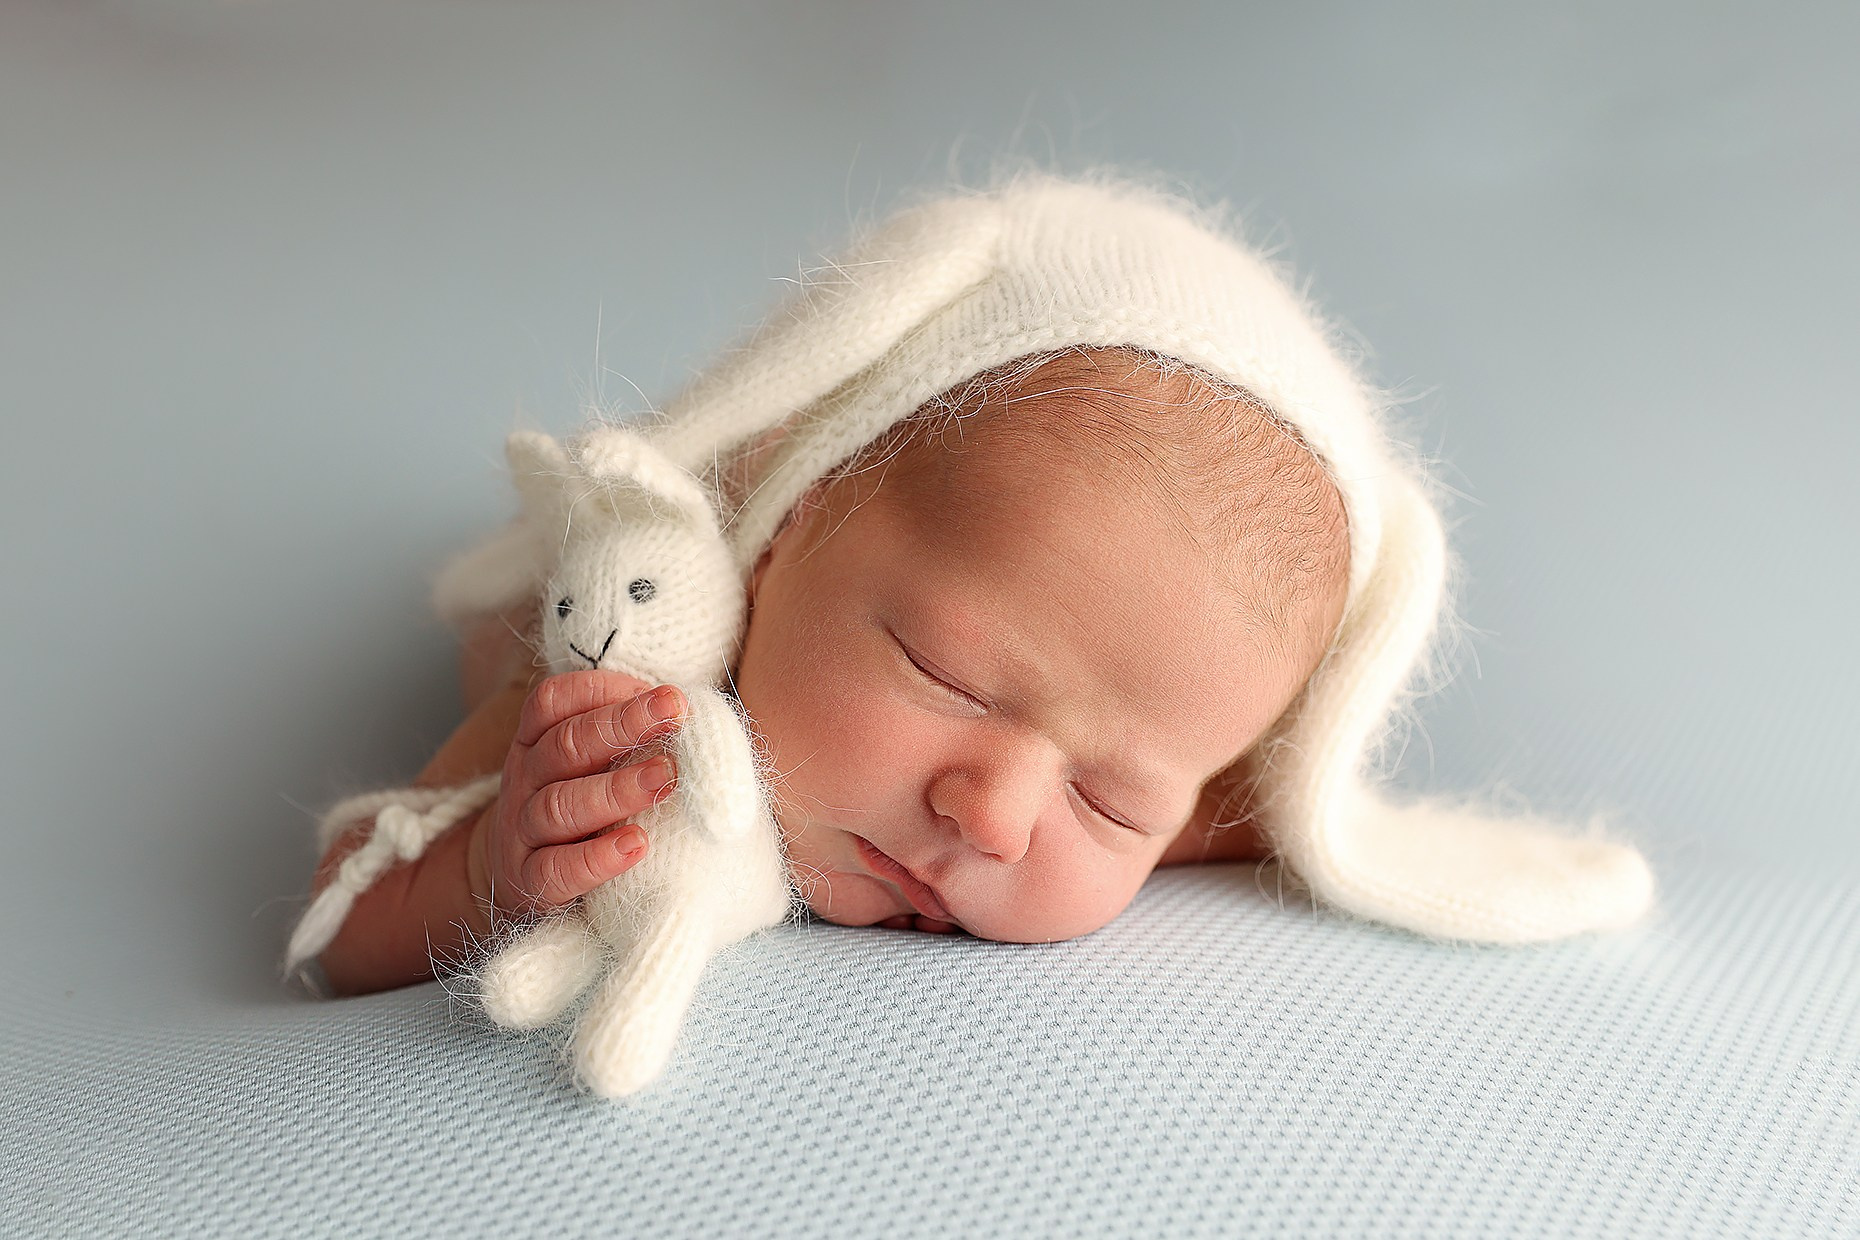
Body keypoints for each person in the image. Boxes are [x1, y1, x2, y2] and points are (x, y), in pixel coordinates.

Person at [302, 172, 1654, 998]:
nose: (995, 820)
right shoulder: (630, 673)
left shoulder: (1176, 754)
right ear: (786, 533)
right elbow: (342, 924)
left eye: (1112, 802)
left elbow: (1263, 808)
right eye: (946, 675)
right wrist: (496, 858)